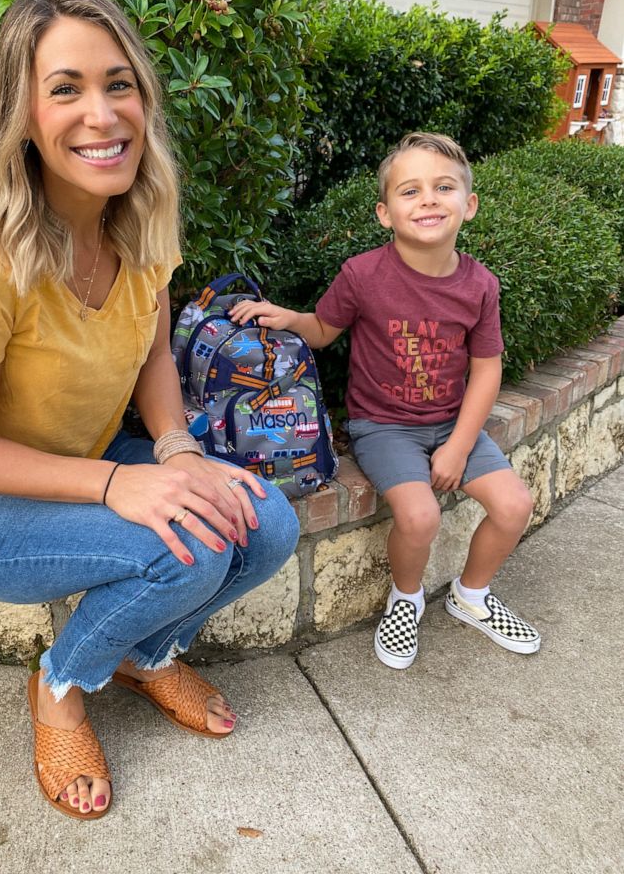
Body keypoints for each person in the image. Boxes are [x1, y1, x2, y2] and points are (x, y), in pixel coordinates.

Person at [0, 0, 299, 820]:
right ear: (20, 114)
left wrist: (178, 451)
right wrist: (116, 486)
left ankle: (142, 650)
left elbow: (152, 355)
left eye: (118, 83)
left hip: (88, 468)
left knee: (266, 524)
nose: (101, 113)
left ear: (144, 97)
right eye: (66, 88)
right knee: (189, 548)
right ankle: (61, 684)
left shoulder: (140, 217)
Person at [231, 132, 539, 671]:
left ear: (468, 205)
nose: (427, 200)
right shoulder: (363, 274)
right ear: (385, 212)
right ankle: (407, 598)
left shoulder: (480, 285)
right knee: (418, 516)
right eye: (410, 190)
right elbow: (324, 328)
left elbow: (486, 370)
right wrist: (284, 316)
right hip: (383, 427)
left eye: (443, 187)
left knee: (515, 505)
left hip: (451, 423)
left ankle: (471, 596)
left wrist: (459, 446)